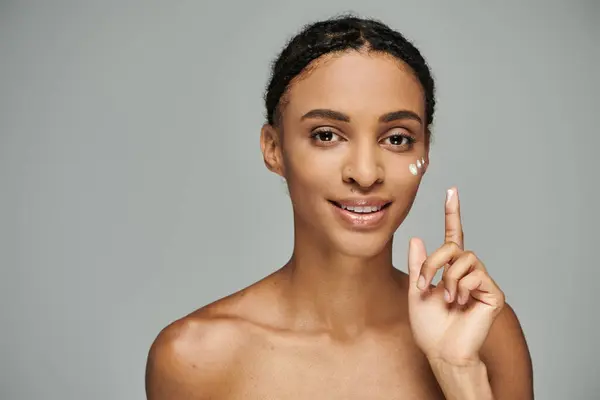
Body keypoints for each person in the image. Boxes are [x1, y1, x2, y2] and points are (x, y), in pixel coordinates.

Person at [145, 14, 533, 399]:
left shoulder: (487, 335)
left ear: (425, 151)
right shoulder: (193, 358)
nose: (365, 174)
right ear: (274, 149)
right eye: (327, 135)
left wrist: (460, 373)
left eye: (397, 139)